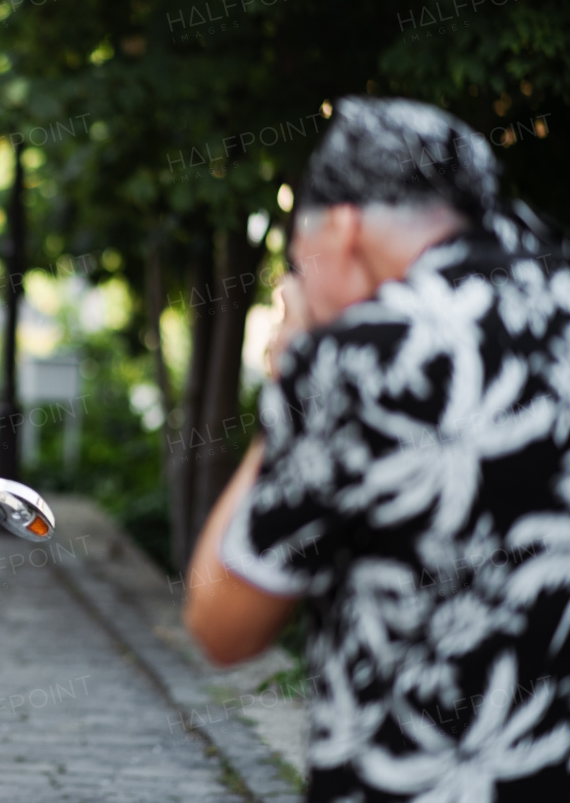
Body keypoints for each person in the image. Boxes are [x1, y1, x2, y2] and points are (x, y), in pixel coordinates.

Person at [185, 97, 570, 800]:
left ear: (342, 227)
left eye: (296, 262)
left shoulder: (363, 357)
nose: (296, 282)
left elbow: (222, 621)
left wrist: (290, 382)